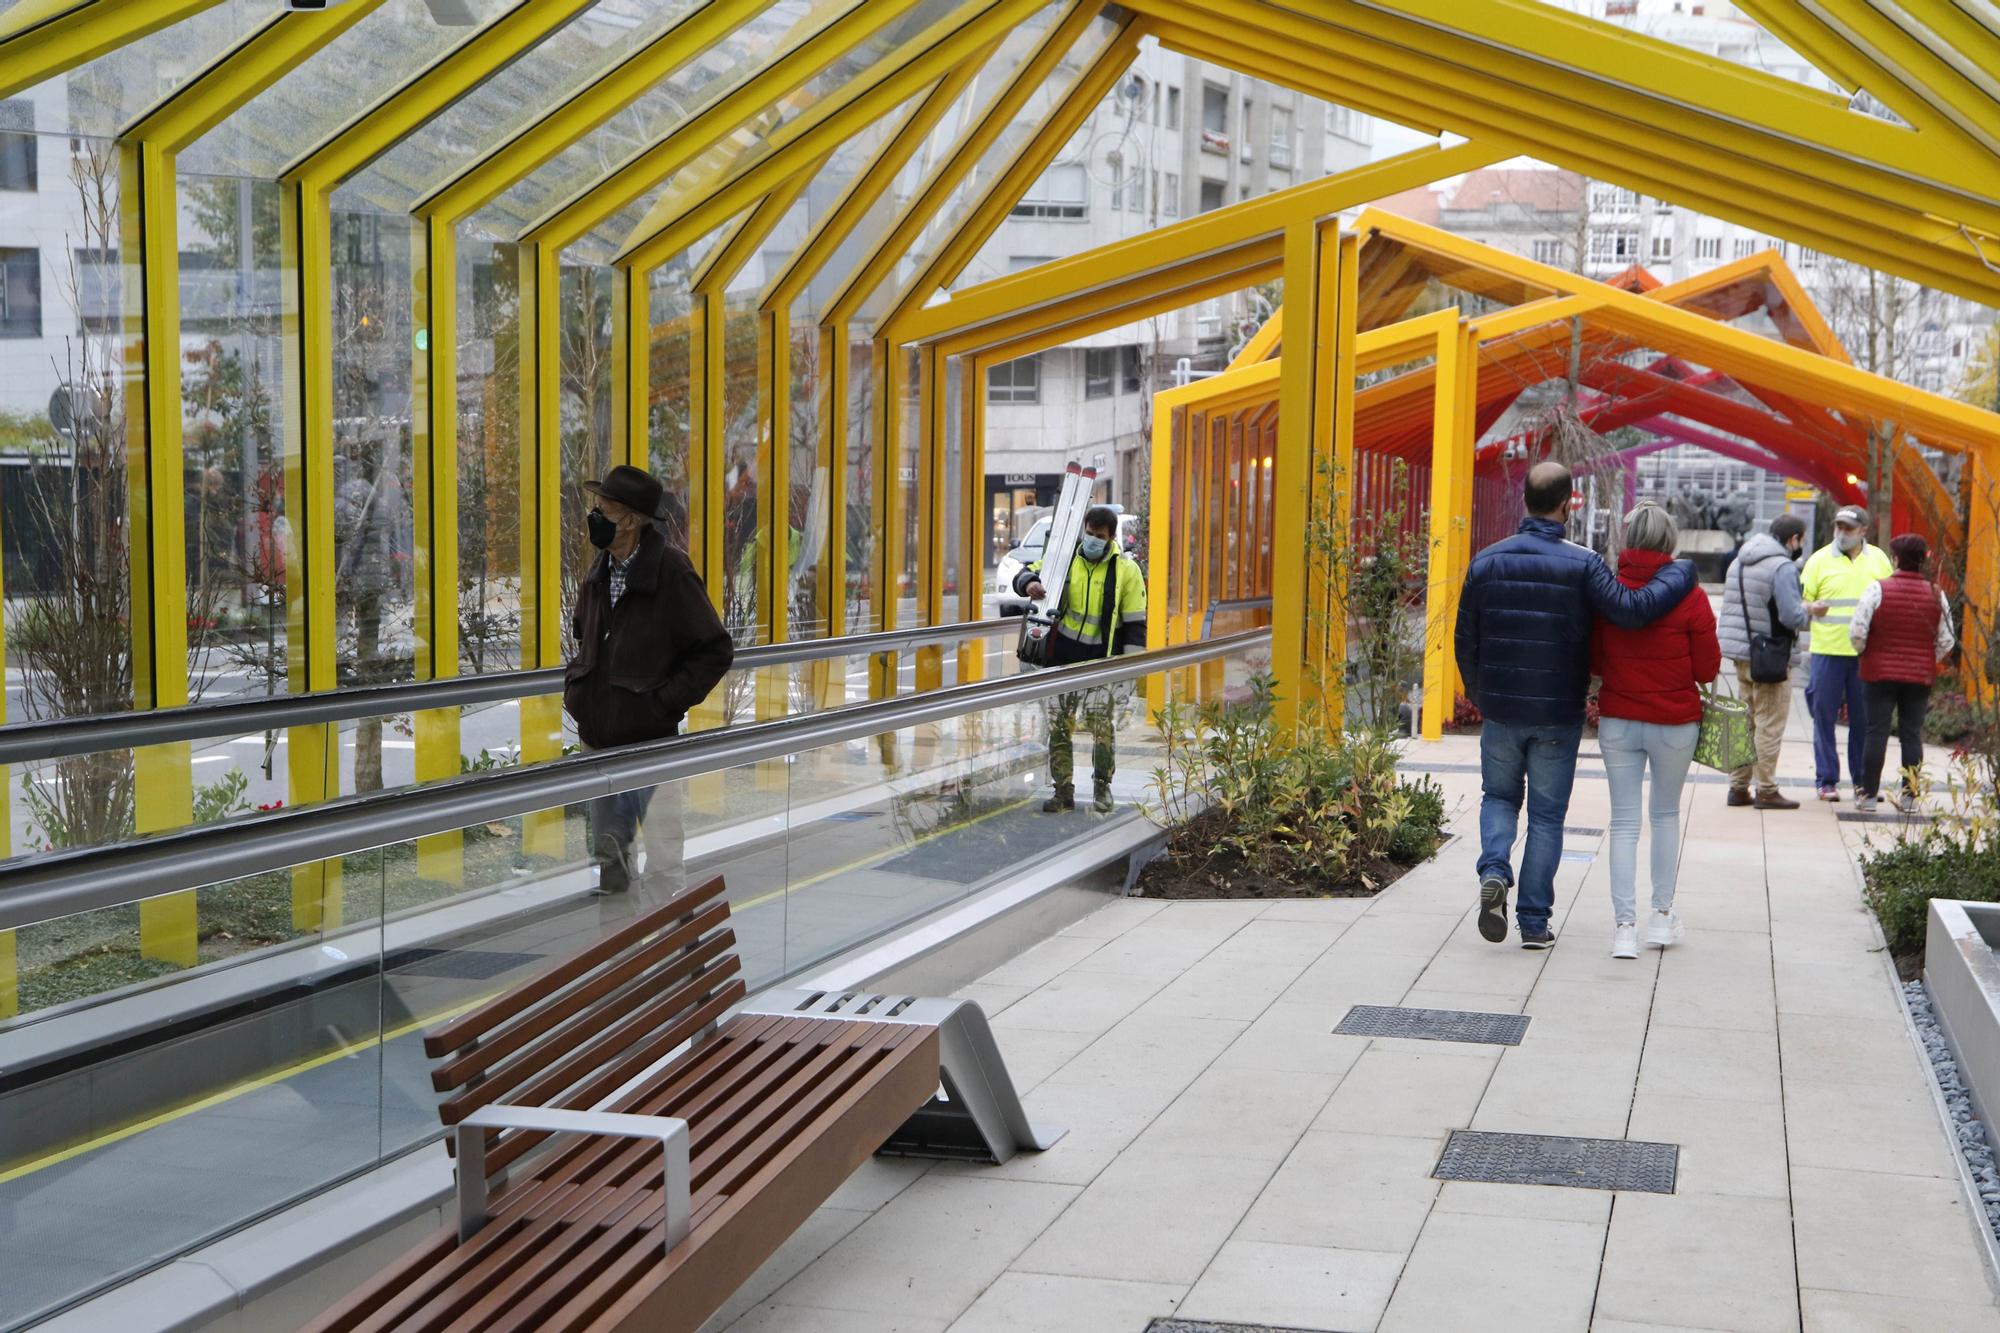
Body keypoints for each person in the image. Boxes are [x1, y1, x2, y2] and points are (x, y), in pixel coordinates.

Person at [1456, 462, 1697, 949]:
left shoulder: (1485, 561)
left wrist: (1483, 695)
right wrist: (1683, 572)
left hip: (1502, 710)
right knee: (1546, 816)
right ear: (1569, 504)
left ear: (1525, 499)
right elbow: (1631, 610)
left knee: (1499, 798)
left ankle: (1496, 869)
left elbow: (1466, 641)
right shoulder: (1583, 563)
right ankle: (1534, 922)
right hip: (1556, 713)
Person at [564, 465, 735, 896]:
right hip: (598, 743)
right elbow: (585, 633)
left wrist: (662, 703)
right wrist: (579, 686)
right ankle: (621, 949)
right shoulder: (599, 569)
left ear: (633, 520)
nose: (596, 516)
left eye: (606, 510)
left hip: (650, 745)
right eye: (596, 507)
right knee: (611, 860)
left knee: (663, 861)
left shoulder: (671, 571)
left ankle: (669, 951)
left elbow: (715, 650)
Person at [1591, 504, 1721, 959]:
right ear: (1670, 541)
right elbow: (1707, 667)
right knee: (1664, 815)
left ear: (1627, 540)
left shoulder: (1606, 589)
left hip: (1619, 718)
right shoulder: (1692, 595)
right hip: (1674, 721)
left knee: (1623, 822)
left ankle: (1624, 929)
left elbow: (1593, 660)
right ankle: (1661, 919)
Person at [1016, 505, 1147, 813]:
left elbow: (1135, 626)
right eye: (1088, 534)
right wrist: (1029, 583)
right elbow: (1026, 573)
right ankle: (1063, 791)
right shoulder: (1065, 559)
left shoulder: (1126, 570)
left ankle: (1103, 787)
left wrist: (1129, 674)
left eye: (1098, 536)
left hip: (1100, 663)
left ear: (1111, 537)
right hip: (1062, 659)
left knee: (1101, 727)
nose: (1091, 540)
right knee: (1059, 727)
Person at [1848, 532, 1954, 814]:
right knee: (1911, 734)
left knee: (1876, 732)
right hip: (1919, 676)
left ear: (1895, 559)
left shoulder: (1877, 590)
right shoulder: (1937, 594)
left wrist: (1865, 653)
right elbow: (1947, 639)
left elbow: (1857, 631)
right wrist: (1926, 657)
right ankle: (1909, 796)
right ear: (1922, 561)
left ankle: (1868, 795)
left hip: (1878, 674)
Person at [1716, 514, 1809, 810]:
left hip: (1742, 655)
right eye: (1801, 541)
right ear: (1793, 539)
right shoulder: (1782, 567)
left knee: (1746, 722)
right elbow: (1791, 616)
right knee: (1769, 723)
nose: (1801, 546)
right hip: (1770, 657)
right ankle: (1767, 790)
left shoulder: (1738, 563)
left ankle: (1738, 787)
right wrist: (1811, 611)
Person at [1800, 506, 1893, 801]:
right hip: (1826, 651)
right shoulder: (1818, 561)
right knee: (1823, 716)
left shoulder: (1879, 560)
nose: (1841, 533)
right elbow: (1800, 602)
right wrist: (1811, 608)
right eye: (1838, 527)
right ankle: (1826, 780)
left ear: (1863, 530)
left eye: (1848, 528)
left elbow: (1889, 599)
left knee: (1863, 721)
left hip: (1865, 654)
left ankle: (1863, 782)